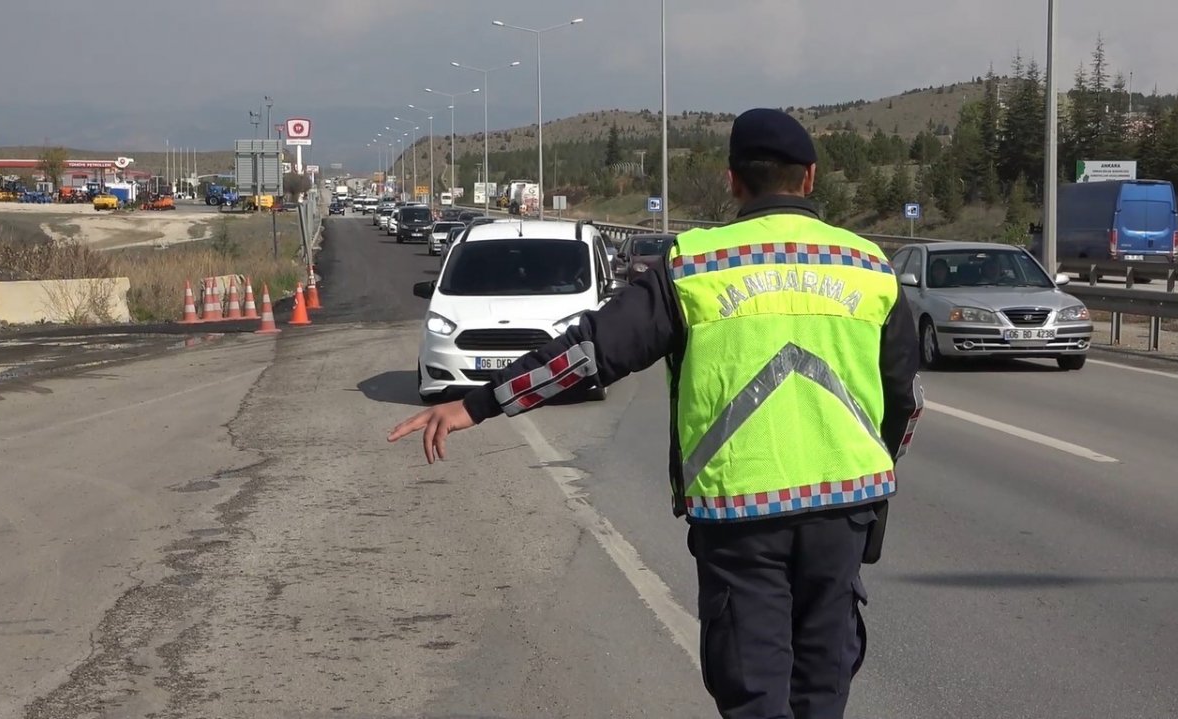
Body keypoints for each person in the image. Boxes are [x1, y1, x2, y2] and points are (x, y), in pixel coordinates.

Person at [388, 108, 923, 719]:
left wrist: (478, 403)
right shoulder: (870, 264)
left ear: (732, 181)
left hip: (741, 512)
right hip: (844, 510)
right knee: (823, 689)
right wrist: (873, 464)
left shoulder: (694, 263)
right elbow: (905, 400)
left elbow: (590, 354)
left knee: (754, 693)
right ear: (810, 179)